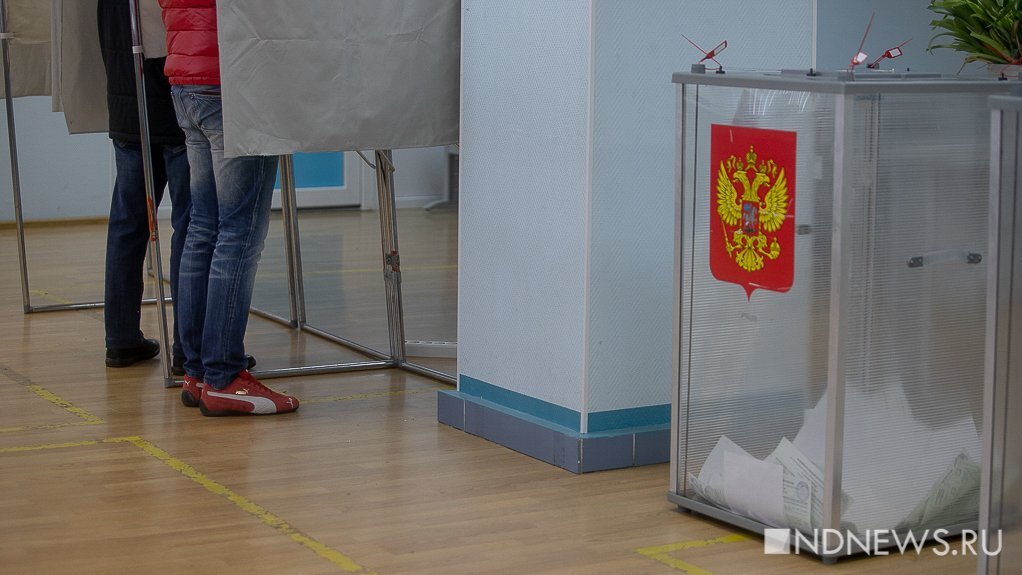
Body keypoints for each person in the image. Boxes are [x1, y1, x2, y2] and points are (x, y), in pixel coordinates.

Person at [160, 0, 298, 415]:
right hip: (233, 83)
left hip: (185, 78)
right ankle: (224, 376)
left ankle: (199, 373)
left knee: (203, 227)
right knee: (238, 233)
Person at [99, 0, 189, 371]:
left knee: (127, 226)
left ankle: (121, 339)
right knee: (192, 228)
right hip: (176, 108)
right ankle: (189, 349)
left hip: (127, 109)